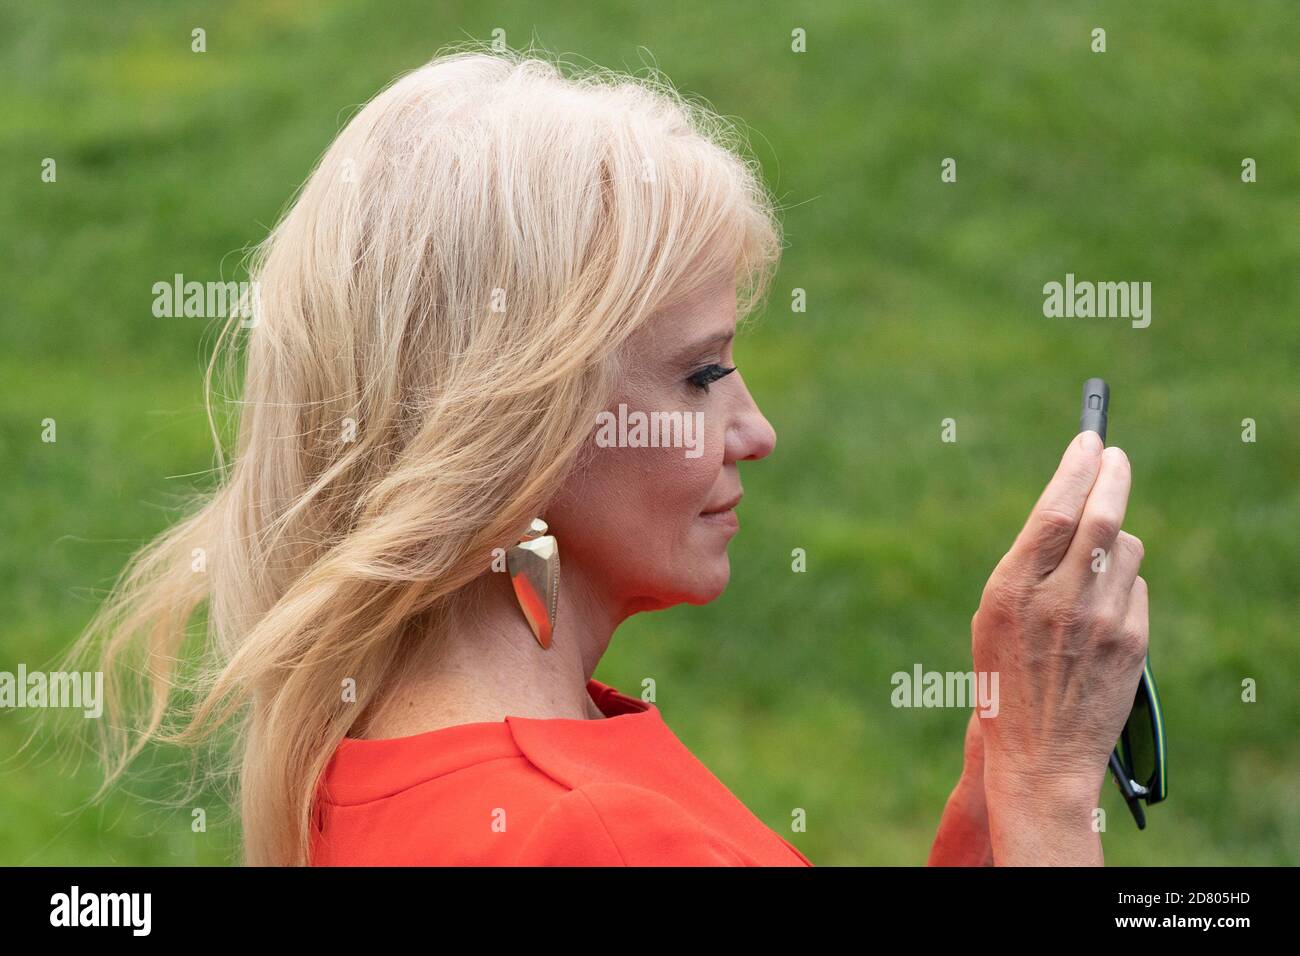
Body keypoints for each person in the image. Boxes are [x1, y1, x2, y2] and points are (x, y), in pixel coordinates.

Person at [72, 47, 1147, 867]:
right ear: (511, 433)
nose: (754, 431)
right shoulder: (587, 833)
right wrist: (1049, 789)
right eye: (700, 375)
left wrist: (1010, 762)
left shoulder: (374, 758)